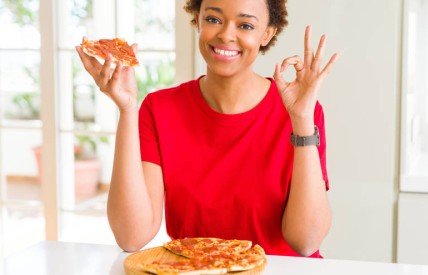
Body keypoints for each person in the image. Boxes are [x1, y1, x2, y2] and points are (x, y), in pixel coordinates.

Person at [75, 0, 337, 258]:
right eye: (213, 19)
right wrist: (128, 109)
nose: (226, 35)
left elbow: (306, 242)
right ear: (198, 19)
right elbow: (131, 236)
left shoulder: (301, 111)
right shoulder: (159, 109)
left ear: (267, 34)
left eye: (245, 25)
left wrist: (302, 120)